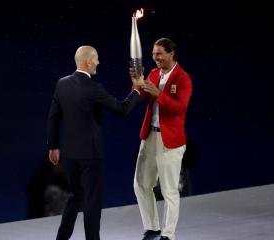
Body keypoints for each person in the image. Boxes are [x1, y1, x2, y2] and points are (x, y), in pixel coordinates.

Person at [47, 45, 143, 240]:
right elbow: (122, 109)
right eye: (97, 59)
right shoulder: (93, 88)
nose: (99, 62)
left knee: (75, 196)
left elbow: (53, 117)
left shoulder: (61, 84)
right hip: (91, 155)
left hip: (69, 153)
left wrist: (53, 146)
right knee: (92, 202)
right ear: (88, 62)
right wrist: (137, 89)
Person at [132, 38, 192, 240]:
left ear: (171, 54)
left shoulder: (183, 78)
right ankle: (152, 228)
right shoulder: (154, 73)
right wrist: (137, 84)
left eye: (159, 54)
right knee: (141, 184)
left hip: (171, 142)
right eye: (153, 54)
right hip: (149, 136)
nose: (155, 58)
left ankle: (168, 234)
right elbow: (141, 96)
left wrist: (159, 94)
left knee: (169, 190)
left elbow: (180, 109)